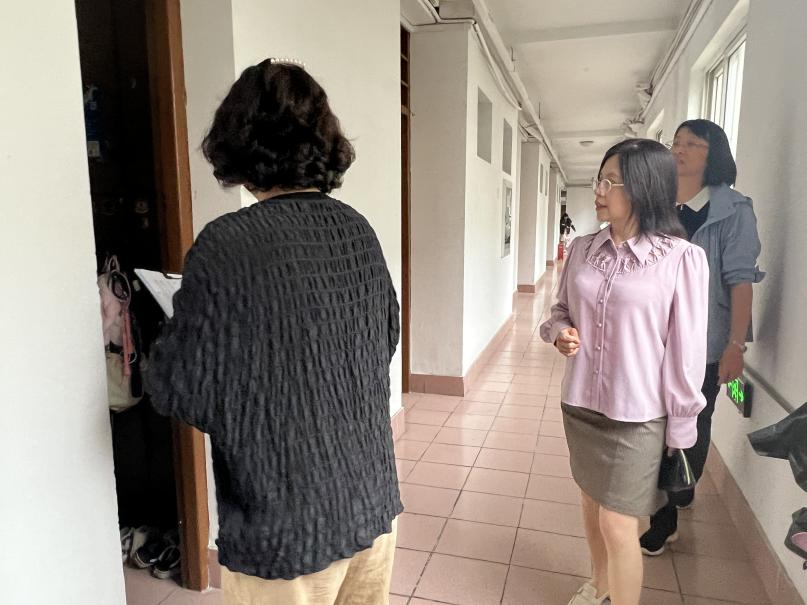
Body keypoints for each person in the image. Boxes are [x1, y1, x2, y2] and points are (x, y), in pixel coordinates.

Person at [146, 59, 402, 605]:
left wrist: (178, 334)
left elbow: (182, 389)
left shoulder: (226, 243)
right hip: (371, 499)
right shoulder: (357, 229)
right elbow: (384, 338)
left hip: (284, 527)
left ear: (236, 142)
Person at [540, 139, 709, 605]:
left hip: (638, 415)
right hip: (581, 406)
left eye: (611, 182)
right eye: (600, 179)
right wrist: (560, 332)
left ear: (643, 187)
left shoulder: (680, 259)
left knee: (617, 523)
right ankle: (600, 585)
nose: (599, 190)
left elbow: (687, 352)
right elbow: (557, 312)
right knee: (591, 504)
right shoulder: (581, 249)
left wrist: (681, 428)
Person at [640, 119, 765, 555]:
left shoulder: (732, 210)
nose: (679, 149)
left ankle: (676, 494)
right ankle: (666, 511)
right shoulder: (655, 204)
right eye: (676, 142)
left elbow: (741, 281)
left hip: (706, 343)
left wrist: (735, 346)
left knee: (694, 419)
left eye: (692, 144)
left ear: (714, 155)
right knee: (655, 423)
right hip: (653, 338)